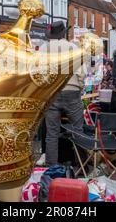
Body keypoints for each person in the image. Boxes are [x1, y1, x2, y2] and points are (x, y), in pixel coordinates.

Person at [43, 21, 85, 166]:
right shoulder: (72, 47)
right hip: (72, 91)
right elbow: (81, 72)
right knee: (78, 130)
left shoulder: (43, 48)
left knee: (52, 133)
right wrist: (80, 86)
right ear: (63, 33)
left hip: (51, 93)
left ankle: (51, 166)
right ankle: (80, 164)